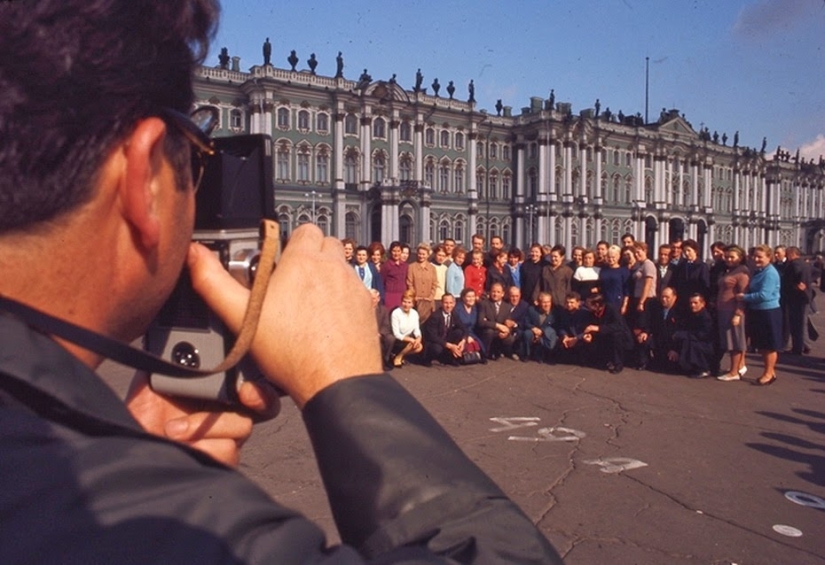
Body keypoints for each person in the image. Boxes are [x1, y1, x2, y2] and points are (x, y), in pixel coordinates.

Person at [0, 3, 561, 561]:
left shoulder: (58, 478)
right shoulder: (157, 525)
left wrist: (125, 457)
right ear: (145, 180)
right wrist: (346, 380)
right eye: (195, 160)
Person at [737, 244, 782, 386]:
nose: (756, 259)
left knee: (769, 345)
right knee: (763, 344)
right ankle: (769, 372)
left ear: (769, 257)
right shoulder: (759, 271)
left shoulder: (770, 273)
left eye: (760, 257)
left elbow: (764, 295)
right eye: (755, 256)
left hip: (769, 311)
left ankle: (769, 373)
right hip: (759, 311)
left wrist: (744, 297)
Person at [715, 245, 749, 381]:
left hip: (732, 310)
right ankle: (733, 368)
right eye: (727, 256)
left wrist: (738, 314)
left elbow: (743, 294)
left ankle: (734, 372)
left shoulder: (742, 272)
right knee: (729, 341)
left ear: (740, 258)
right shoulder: (730, 270)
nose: (728, 259)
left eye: (732, 257)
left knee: (735, 341)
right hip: (723, 310)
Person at [581, 294, 633, 374]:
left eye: (589, 304)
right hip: (603, 336)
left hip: (618, 337)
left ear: (597, 305)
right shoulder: (591, 312)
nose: (587, 306)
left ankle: (618, 363)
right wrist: (589, 334)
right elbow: (590, 324)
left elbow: (619, 326)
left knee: (616, 335)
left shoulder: (611, 309)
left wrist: (598, 328)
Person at [672, 294, 715, 378]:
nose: (692, 305)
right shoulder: (691, 315)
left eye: (695, 303)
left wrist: (685, 335)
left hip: (706, 344)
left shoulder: (706, 317)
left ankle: (704, 369)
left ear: (703, 304)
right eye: (691, 303)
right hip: (694, 339)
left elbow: (704, 335)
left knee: (692, 344)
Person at [421, 293, 467, 366]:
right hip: (433, 342)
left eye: (450, 303)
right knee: (437, 349)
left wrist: (463, 341)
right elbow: (432, 336)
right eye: (446, 303)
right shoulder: (435, 316)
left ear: (454, 303)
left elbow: (463, 328)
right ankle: (428, 359)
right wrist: (450, 346)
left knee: (459, 332)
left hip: (445, 338)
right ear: (441, 303)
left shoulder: (454, 314)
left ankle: (448, 358)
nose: (448, 306)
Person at [783, 246, 813, 355]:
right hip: (804, 297)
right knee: (802, 323)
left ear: (792, 254)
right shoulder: (805, 263)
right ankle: (805, 345)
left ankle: (797, 347)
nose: (786, 256)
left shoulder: (794, 264)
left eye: (787, 254)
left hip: (796, 297)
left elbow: (794, 276)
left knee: (796, 324)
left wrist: (796, 284)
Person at [645, 287, 682, 373]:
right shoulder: (656, 309)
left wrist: (676, 349)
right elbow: (650, 324)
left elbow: (681, 332)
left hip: (672, 345)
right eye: (662, 297)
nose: (664, 299)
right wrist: (646, 332)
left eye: (667, 297)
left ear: (674, 297)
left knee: (670, 367)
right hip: (658, 343)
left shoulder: (680, 313)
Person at [477, 282, 516, 360]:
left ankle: (499, 351)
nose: (495, 294)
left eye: (498, 292)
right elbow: (481, 322)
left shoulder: (507, 307)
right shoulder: (484, 304)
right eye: (493, 291)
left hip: (499, 333)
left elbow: (508, 323)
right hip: (487, 331)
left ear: (502, 294)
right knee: (489, 332)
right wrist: (497, 325)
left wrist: (507, 331)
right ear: (490, 292)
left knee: (510, 338)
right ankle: (484, 354)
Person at [389, 290, 424, 367]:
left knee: (419, 347)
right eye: (404, 302)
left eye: (409, 302)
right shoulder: (396, 313)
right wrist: (411, 340)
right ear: (401, 301)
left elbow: (417, 330)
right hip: (397, 340)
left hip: (408, 339)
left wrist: (418, 338)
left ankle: (397, 355)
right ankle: (398, 357)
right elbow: (396, 334)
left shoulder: (415, 313)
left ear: (413, 304)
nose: (406, 305)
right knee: (411, 343)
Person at [522, 292, 559, 362]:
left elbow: (555, 326)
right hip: (533, 331)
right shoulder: (531, 310)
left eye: (548, 302)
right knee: (527, 334)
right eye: (544, 302)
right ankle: (527, 354)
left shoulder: (554, 313)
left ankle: (541, 355)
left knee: (550, 335)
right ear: (539, 303)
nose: (547, 305)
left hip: (545, 332)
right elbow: (525, 322)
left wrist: (542, 331)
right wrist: (533, 328)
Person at [406, 243, 437, 323]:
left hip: (428, 301)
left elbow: (434, 284)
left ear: (428, 255)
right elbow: (410, 283)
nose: (421, 256)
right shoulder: (411, 267)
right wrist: (414, 296)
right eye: (419, 254)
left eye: (423, 254)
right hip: (416, 301)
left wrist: (431, 296)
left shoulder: (432, 268)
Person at [598, 245, 630, 315]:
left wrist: (624, 305)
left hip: (617, 301)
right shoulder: (603, 270)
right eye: (609, 257)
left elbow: (626, 290)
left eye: (613, 257)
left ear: (618, 257)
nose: (611, 259)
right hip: (605, 301)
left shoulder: (623, 271)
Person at [540, 244, 573, 309]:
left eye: (555, 257)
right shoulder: (545, 269)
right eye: (551, 256)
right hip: (547, 303)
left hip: (561, 303)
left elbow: (569, 288)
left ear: (562, 257)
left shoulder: (567, 271)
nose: (553, 259)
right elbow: (539, 285)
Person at [456, 287, 486, 357]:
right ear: (463, 298)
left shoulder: (476, 308)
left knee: (481, 351)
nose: (471, 299)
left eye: (473, 296)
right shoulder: (457, 309)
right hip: (460, 333)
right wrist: (466, 337)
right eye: (468, 297)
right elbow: (458, 325)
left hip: (472, 333)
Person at [382, 241, 408, 311]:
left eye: (398, 251)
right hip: (390, 296)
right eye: (394, 251)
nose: (396, 253)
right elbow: (382, 281)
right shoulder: (386, 265)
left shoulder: (405, 266)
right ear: (390, 252)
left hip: (402, 296)